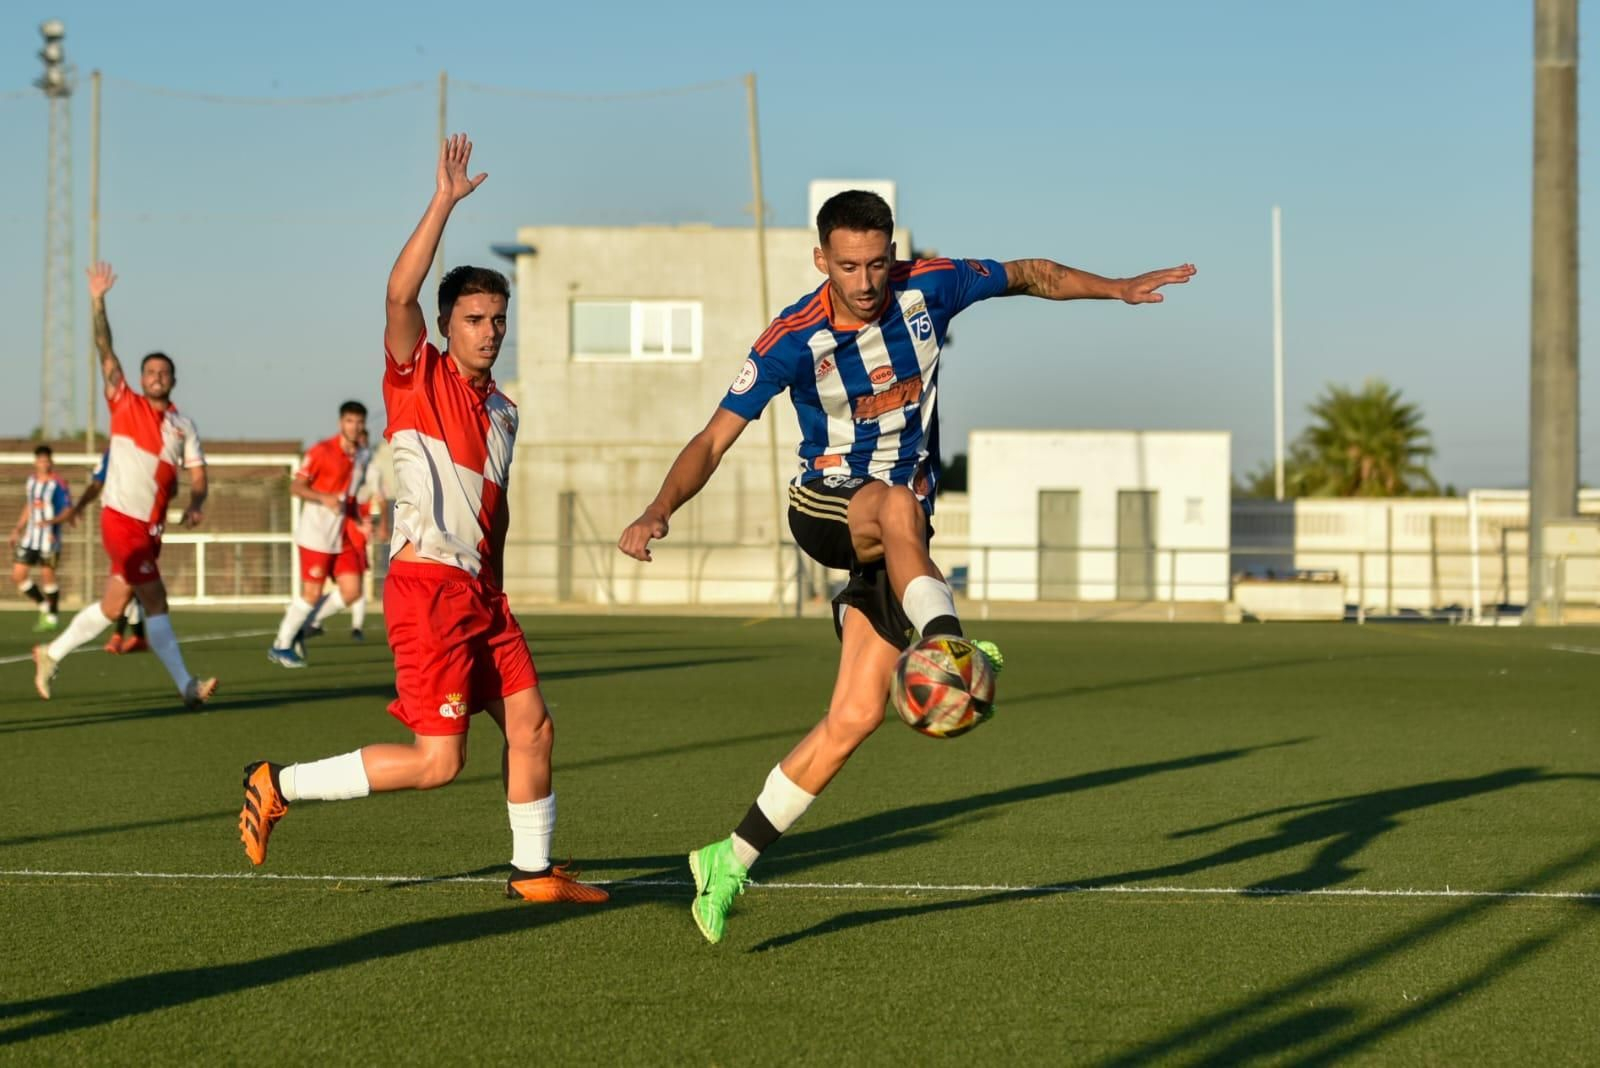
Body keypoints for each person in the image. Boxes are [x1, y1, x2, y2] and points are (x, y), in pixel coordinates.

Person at [618, 189, 1195, 943]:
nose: (865, 280)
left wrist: (1114, 289)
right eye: (848, 265)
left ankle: (726, 860)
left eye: (876, 262)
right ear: (821, 259)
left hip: (899, 543)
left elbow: (1031, 273)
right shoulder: (791, 340)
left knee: (854, 717)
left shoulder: (930, 286)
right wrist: (660, 507)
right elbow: (711, 440)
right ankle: (950, 640)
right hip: (827, 505)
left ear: (893, 254)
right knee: (896, 504)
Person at [238, 134, 607, 905]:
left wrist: (496, 594)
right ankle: (278, 783)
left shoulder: (505, 411)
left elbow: (491, 518)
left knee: (533, 727)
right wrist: (443, 201)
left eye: (498, 318)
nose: (489, 330)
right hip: (429, 588)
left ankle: (534, 874)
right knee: (438, 763)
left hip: (482, 596)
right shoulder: (418, 376)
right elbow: (398, 297)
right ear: (447, 327)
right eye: (474, 318)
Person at [32, 262, 217, 708]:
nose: (156, 376)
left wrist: (195, 503)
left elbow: (198, 474)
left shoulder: (182, 424)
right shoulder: (124, 401)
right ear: (139, 377)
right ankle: (186, 687)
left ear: (173, 379)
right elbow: (104, 348)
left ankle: (50, 652)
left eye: (163, 372)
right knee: (156, 602)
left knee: (114, 607)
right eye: (149, 371)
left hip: (152, 527)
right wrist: (98, 300)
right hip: (121, 521)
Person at [267, 401, 377, 666]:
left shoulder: (362, 455)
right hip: (315, 534)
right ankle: (280, 646)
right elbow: (296, 487)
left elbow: (349, 497)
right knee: (312, 594)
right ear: (341, 423)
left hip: (342, 534)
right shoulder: (321, 451)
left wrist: (360, 520)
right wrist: (323, 497)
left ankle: (302, 625)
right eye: (350, 421)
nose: (355, 426)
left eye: (359, 422)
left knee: (352, 591)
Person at [299, 425, 388, 643]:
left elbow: (380, 498)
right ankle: (307, 622)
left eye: (361, 440)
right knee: (324, 586)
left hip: (354, 529)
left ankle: (315, 623)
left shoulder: (371, 468)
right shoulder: (342, 462)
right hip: (337, 528)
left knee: (353, 587)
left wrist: (381, 523)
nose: (358, 444)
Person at [56, 448, 148, 653]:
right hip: (123, 527)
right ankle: (129, 636)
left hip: (143, 525)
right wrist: (79, 506)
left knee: (138, 587)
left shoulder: (150, 448)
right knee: (131, 583)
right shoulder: (115, 451)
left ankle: (135, 637)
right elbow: (97, 483)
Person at [9, 445, 71, 632]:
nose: (44, 464)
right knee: (18, 575)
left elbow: (67, 510)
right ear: (35, 462)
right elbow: (29, 506)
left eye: (47, 461)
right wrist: (18, 528)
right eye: (40, 460)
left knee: (47, 575)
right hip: (30, 538)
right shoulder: (31, 482)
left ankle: (52, 615)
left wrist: (52, 521)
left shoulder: (58, 484)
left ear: (51, 462)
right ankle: (44, 605)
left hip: (50, 538)